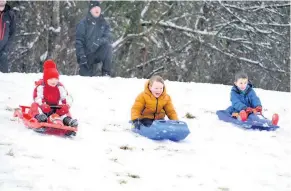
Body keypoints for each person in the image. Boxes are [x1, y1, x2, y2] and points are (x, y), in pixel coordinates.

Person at [29, 59, 78, 133]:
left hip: (55, 108)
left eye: (56, 79)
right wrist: (42, 105)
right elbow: (37, 97)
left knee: (66, 110)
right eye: (51, 79)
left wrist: (66, 105)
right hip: (43, 108)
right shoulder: (41, 86)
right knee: (34, 105)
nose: (54, 81)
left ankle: (68, 120)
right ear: (46, 79)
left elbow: (66, 97)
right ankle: (39, 117)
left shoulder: (59, 87)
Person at [75, 0, 113, 77]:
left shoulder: (103, 23)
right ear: (90, 10)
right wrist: (81, 56)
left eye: (98, 7)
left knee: (108, 47)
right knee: (85, 79)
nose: (97, 9)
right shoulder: (83, 23)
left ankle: (106, 74)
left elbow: (108, 37)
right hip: (86, 55)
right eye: (94, 7)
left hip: (98, 52)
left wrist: (98, 42)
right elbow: (78, 41)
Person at [0, 0, 15, 73]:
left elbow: (12, 33)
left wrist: (6, 48)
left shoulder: (10, 14)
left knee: (4, 76)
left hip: (3, 50)